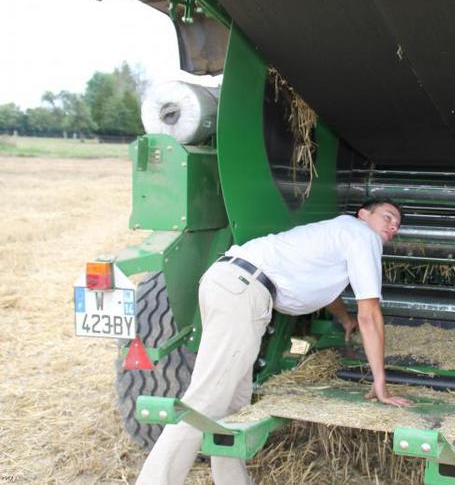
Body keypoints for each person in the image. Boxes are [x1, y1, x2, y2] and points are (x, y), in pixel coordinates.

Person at [137, 198, 412, 485]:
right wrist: (379, 381)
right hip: (244, 289)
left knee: (234, 403)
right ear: (363, 214)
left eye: (397, 225)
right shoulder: (363, 235)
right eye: (388, 216)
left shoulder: (339, 233)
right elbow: (369, 314)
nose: (393, 226)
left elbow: (326, 291)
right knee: (207, 396)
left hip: (231, 282)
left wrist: (344, 319)